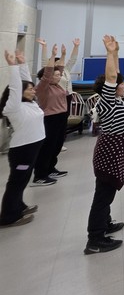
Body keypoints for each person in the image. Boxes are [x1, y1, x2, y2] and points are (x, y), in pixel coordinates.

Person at [85, 35, 124, 254]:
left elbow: (116, 74)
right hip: (109, 154)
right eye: (120, 83)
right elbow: (112, 76)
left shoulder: (116, 100)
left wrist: (116, 53)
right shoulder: (107, 102)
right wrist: (109, 53)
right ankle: (95, 239)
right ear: (112, 87)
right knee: (102, 196)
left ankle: (105, 223)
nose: (123, 85)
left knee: (106, 193)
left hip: (115, 150)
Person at [0, 50, 44, 228]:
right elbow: (17, 87)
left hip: (33, 148)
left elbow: (25, 82)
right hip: (23, 150)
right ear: (20, 93)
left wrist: (22, 64)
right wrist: (13, 67)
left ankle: (19, 206)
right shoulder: (14, 107)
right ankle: (8, 216)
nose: (34, 90)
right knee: (16, 182)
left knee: (24, 179)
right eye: (30, 89)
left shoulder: (30, 103)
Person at [31, 39, 69, 186]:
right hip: (50, 118)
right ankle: (40, 175)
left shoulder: (57, 85)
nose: (59, 76)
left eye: (59, 75)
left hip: (61, 117)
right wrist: (52, 55)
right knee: (47, 147)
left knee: (57, 145)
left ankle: (50, 168)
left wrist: (63, 55)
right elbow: (48, 74)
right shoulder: (43, 87)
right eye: (56, 75)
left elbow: (60, 68)